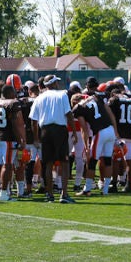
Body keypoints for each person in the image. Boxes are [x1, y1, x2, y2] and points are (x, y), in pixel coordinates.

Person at [29, 74, 77, 203]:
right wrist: (74, 133)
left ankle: (50, 194)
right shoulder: (62, 94)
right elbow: (69, 114)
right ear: (54, 83)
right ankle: (64, 194)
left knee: (48, 163)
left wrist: (36, 138)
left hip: (45, 130)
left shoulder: (39, 98)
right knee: (65, 162)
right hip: (60, 130)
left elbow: (33, 120)